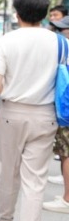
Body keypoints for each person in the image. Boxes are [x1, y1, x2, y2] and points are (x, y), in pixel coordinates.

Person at [0, 0, 58, 221]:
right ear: (45, 14)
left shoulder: (6, 41)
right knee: (35, 180)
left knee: (9, 171)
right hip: (46, 115)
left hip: (12, 114)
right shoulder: (61, 44)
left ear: (17, 14)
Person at [42, 15, 69, 210]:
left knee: (66, 153)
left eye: (62, 29)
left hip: (66, 111)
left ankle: (67, 199)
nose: (59, 32)